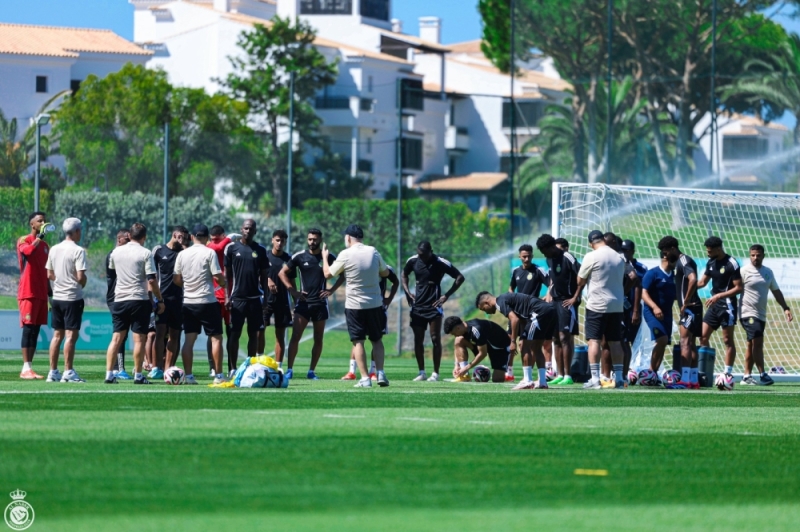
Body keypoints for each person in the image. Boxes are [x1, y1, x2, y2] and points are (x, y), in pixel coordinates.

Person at [322, 224, 391, 388]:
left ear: (348, 238)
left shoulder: (345, 254)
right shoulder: (373, 251)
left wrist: (325, 257)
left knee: (358, 342)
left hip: (355, 306)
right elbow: (386, 273)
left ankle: (365, 378)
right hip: (375, 304)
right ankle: (380, 373)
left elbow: (328, 274)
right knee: (377, 340)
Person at [564, 230, 627, 389]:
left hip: (597, 304)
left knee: (594, 341)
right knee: (615, 342)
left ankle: (595, 379)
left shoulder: (591, 256)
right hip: (617, 304)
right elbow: (630, 277)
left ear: (591, 243)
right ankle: (619, 378)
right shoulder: (619, 256)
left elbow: (580, 279)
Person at [105, 223, 165, 385]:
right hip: (139, 299)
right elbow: (151, 280)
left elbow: (112, 274)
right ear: (144, 237)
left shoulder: (115, 253)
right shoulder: (145, 253)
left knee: (116, 338)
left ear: (129, 236)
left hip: (119, 299)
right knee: (139, 340)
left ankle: (109, 374)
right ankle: (138, 375)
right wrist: (159, 299)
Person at [279, 229, 343, 379]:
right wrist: (293, 292)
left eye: (315, 239)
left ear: (320, 240)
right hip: (303, 304)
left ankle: (311, 371)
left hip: (320, 304)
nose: (312, 242)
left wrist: (331, 290)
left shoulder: (327, 257)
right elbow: (282, 273)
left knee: (318, 338)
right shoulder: (300, 256)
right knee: (295, 337)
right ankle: (289, 370)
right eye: (309, 239)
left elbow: (343, 275)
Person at [173, 224, 228, 385]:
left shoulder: (182, 254)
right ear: (207, 238)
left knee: (189, 340)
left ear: (191, 237)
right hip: (207, 302)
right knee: (217, 339)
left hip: (189, 302)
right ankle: (218, 376)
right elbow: (218, 276)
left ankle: (189, 376)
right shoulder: (209, 252)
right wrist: (224, 283)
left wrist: (188, 285)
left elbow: (176, 279)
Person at [402, 241, 465, 382]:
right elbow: (404, 274)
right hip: (417, 307)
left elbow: (460, 277)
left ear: (431, 251)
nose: (421, 257)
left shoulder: (440, 262)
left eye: (424, 255)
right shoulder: (413, 261)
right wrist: (407, 292)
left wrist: (446, 296)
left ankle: (435, 373)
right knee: (418, 339)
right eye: (419, 254)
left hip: (434, 306)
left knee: (435, 338)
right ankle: (421, 372)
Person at [475, 291, 556, 389]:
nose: (486, 312)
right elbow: (522, 319)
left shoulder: (499, 302)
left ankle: (527, 380)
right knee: (536, 348)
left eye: (484, 309)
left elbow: (514, 319)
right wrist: (522, 337)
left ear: (486, 303)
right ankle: (543, 382)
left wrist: (513, 342)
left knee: (525, 347)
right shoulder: (507, 298)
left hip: (539, 311)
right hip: (550, 310)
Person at [739, 245, 793, 385]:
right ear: (750, 255)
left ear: (763, 255)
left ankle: (746, 376)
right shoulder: (743, 271)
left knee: (752, 343)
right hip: (747, 313)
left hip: (761, 314)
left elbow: (776, 291)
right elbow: (735, 289)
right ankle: (763, 374)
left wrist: (785, 308)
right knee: (757, 342)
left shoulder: (768, 272)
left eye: (758, 255)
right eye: (752, 255)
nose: (755, 258)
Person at [45, 217, 87, 383]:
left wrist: (60, 280)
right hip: (72, 298)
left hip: (57, 298)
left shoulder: (54, 249)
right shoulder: (78, 250)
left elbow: (49, 274)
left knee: (57, 336)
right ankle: (68, 371)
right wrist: (82, 282)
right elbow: (80, 276)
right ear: (76, 232)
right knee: (71, 336)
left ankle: (53, 372)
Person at [224, 219, 269, 373]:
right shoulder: (231, 248)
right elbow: (226, 276)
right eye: (246, 228)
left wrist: (266, 298)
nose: (248, 231)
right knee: (234, 333)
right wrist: (227, 297)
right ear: (241, 229)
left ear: (255, 231)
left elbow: (264, 276)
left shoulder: (261, 250)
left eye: (251, 229)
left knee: (253, 334)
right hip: (237, 299)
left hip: (255, 299)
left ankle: (249, 366)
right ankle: (232, 368)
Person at [536, 234, 581, 386]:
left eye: (544, 251)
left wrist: (575, 297)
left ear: (551, 246)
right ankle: (560, 374)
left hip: (566, 302)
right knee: (555, 338)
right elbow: (553, 280)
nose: (544, 255)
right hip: (554, 302)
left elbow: (581, 276)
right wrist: (549, 292)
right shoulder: (549, 259)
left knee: (564, 337)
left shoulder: (568, 257)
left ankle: (568, 375)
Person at [657, 236, 701, 389]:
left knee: (684, 342)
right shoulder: (682, 262)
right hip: (694, 308)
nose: (665, 256)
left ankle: (686, 380)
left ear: (673, 249)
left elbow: (693, 279)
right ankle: (694, 380)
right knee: (692, 344)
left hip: (690, 308)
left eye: (666, 252)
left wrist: (687, 301)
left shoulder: (684, 261)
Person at [342, 264, 399, 381]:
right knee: (358, 340)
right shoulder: (360, 266)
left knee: (376, 339)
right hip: (359, 307)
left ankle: (374, 372)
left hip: (377, 308)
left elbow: (395, 281)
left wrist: (389, 298)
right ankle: (352, 371)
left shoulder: (384, 268)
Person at [698, 236, 743, 381]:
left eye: (710, 251)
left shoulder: (732, 263)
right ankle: (706, 370)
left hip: (727, 305)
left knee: (727, 340)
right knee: (703, 336)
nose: (707, 253)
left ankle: (727, 372)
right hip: (714, 306)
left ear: (719, 249)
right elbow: (703, 282)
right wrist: (686, 285)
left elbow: (739, 288)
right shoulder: (710, 262)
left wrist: (719, 296)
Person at [16, 211, 52, 379]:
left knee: (36, 330)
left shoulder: (46, 247)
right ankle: (25, 368)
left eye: (44, 220)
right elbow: (28, 252)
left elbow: (46, 270)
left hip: (41, 293)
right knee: (28, 329)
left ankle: (29, 368)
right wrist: (39, 238)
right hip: (28, 292)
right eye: (40, 221)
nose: (43, 222)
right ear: (32, 224)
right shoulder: (25, 240)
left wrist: (50, 292)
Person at [507, 244, 550, 382]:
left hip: (531, 313)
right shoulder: (516, 271)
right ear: (519, 256)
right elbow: (511, 287)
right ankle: (509, 371)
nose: (526, 259)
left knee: (527, 344)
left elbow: (551, 284)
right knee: (511, 340)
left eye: (529, 256)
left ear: (532, 256)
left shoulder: (538, 270)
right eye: (524, 256)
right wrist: (512, 298)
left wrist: (546, 298)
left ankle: (529, 375)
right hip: (517, 311)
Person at [151, 226, 189, 378]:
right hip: (162, 300)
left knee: (175, 334)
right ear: (174, 234)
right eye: (180, 237)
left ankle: (168, 369)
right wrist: (153, 298)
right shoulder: (159, 250)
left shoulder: (185, 253)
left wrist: (185, 247)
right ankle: (156, 368)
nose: (182, 240)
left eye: (185, 238)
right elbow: (151, 275)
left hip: (179, 300)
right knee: (159, 333)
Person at [206, 225, 241, 377]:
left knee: (232, 333)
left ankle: (232, 367)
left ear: (222, 236)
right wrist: (228, 238)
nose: (214, 242)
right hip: (214, 298)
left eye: (216, 239)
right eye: (212, 239)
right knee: (213, 334)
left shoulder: (232, 248)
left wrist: (229, 240)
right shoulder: (211, 247)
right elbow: (215, 248)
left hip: (230, 297)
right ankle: (213, 368)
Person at [640, 249, 677, 387]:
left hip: (667, 313)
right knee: (662, 339)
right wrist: (655, 307)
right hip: (652, 313)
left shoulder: (673, 275)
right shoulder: (652, 273)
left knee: (663, 343)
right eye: (675, 260)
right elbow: (644, 293)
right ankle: (650, 371)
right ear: (666, 258)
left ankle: (653, 373)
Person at [261, 229, 294, 367]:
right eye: (277, 240)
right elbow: (256, 274)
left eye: (282, 241)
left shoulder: (288, 259)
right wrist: (268, 279)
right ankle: (259, 362)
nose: (280, 243)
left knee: (280, 335)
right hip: (265, 301)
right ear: (272, 240)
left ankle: (278, 367)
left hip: (282, 301)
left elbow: (292, 282)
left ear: (285, 242)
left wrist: (295, 301)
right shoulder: (264, 257)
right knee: (259, 332)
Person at [445, 316, 511, 383]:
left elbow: (483, 353)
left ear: (458, 328)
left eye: (454, 333)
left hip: (500, 348)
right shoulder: (464, 330)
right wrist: (457, 365)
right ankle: (465, 376)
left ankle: (464, 370)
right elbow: (457, 346)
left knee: (497, 380)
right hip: (483, 345)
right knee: (458, 340)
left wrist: (466, 368)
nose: (455, 335)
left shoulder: (476, 329)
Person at [107, 229, 132, 379]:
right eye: (127, 240)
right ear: (120, 239)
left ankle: (117, 368)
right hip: (116, 297)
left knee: (122, 333)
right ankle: (118, 368)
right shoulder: (115, 254)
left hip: (122, 296)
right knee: (120, 333)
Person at [620, 239, 647, 381]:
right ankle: (622, 371)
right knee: (621, 341)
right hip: (619, 308)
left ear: (632, 251)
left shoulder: (641, 268)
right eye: (623, 250)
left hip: (633, 308)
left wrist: (636, 310)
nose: (625, 253)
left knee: (631, 341)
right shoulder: (619, 264)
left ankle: (629, 369)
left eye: (627, 250)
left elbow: (641, 287)